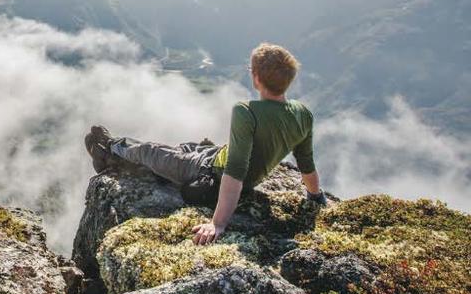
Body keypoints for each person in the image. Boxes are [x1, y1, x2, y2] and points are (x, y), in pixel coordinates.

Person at [84, 42, 326, 246]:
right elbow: (306, 163)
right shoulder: (303, 114)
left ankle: (112, 148)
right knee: (187, 147)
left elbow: (234, 172)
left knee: (152, 152)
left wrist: (217, 224)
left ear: (256, 77)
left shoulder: (246, 112)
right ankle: (124, 154)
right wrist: (316, 197)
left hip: (209, 172)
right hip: (215, 157)